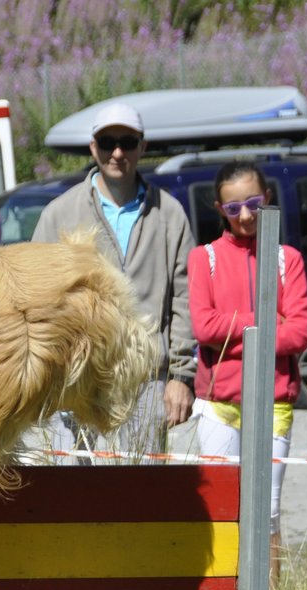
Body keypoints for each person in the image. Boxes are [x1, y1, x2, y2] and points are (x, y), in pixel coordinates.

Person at [30, 102, 196, 462]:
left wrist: (181, 376)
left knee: (143, 497)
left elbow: (184, 298)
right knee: (71, 490)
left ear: (143, 146)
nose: (117, 152)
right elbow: (36, 297)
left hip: (146, 379)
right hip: (75, 379)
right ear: (93, 147)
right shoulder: (59, 213)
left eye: (127, 142)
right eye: (107, 142)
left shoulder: (169, 214)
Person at [187, 161, 307, 584]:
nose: (245, 216)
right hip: (219, 403)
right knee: (222, 508)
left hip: (274, 401)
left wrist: (234, 327)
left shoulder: (286, 259)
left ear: (268, 200)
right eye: (234, 207)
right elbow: (203, 328)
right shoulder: (204, 258)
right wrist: (263, 321)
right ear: (219, 208)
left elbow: (299, 333)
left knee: (267, 509)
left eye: (254, 204)